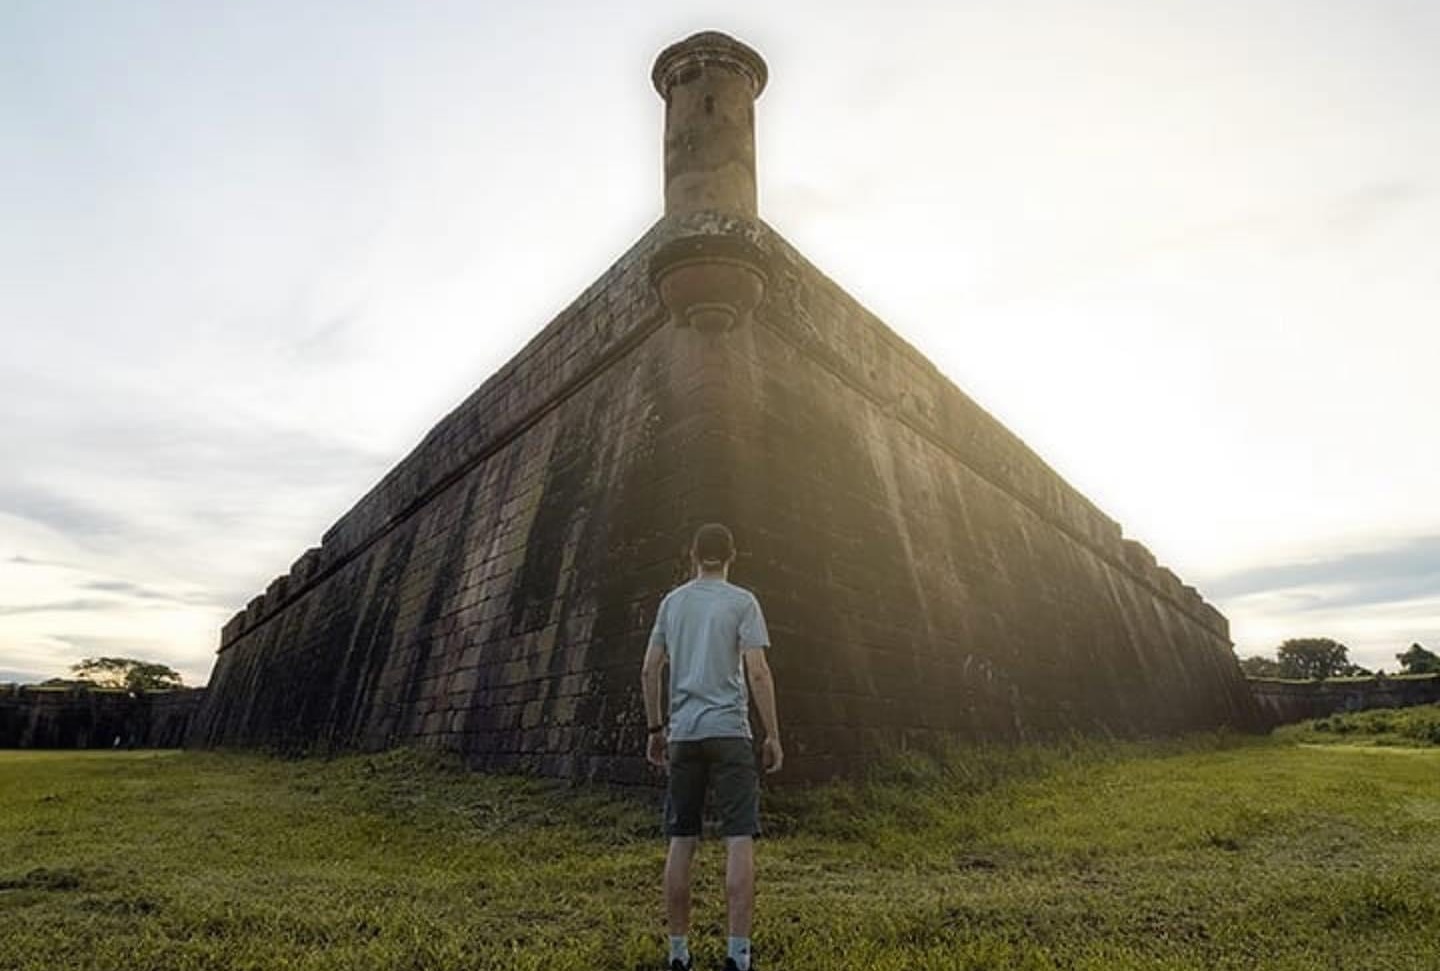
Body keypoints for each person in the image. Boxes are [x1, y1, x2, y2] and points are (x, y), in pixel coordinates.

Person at [641, 522, 783, 971]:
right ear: (731, 557)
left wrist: (655, 729)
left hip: (683, 734)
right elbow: (758, 672)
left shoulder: (672, 603)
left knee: (681, 841)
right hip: (730, 733)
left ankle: (678, 954)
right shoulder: (742, 602)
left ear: (692, 555)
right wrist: (773, 734)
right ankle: (737, 956)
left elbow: (649, 670)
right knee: (738, 838)